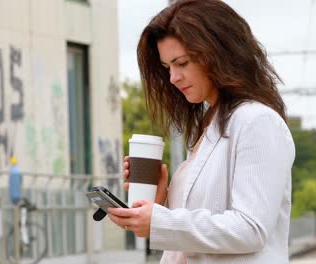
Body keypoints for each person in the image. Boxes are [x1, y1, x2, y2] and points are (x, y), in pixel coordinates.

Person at [108, 0, 295, 263]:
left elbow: (251, 229)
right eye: (167, 68)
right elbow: (203, 229)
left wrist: (161, 221)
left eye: (181, 63)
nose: (173, 78)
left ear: (217, 53)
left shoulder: (256, 121)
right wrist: (163, 204)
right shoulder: (209, 127)